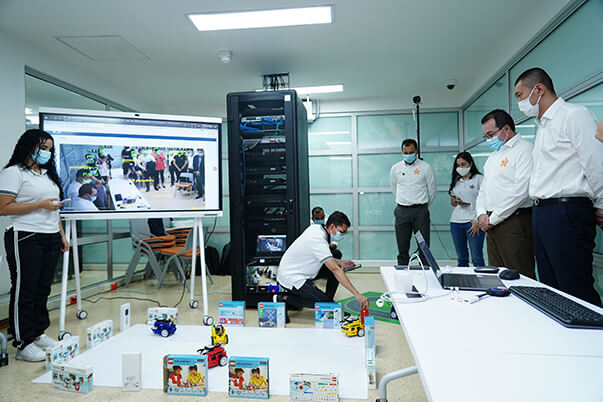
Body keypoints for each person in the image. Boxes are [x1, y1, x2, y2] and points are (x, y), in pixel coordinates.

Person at [514, 68, 603, 306]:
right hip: (543, 212)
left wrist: (602, 205)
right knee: (552, 289)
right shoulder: (543, 127)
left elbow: (595, 162)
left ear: (539, 89)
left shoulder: (574, 115)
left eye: (520, 95)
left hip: (566, 211)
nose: (520, 103)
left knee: (575, 288)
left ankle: (592, 329)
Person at [0, 129, 69, 362]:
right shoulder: (13, 172)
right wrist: (40, 204)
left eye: (50, 149)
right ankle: (23, 342)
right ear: (29, 146)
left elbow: (54, 209)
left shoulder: (47, 175)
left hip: (50, 236)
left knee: (42, 290)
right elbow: (3, 207)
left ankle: (38, 333)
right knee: (25, 290)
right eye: (43, 148)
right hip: (25, 236)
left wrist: (61, 235)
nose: (47, 152)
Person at [475, 109, 535, 278]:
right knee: (496, 276)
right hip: (491, 224)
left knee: (519, 275)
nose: (489, 139)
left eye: (490, 134)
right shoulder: (493, 157)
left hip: (514, 222)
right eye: (486, 136)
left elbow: (521, 191)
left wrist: (493, 219)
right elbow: (484, 190)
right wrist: (481, 214)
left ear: (506, 129)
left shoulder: (525, 150)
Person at [276, 211, 369, 319]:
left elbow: (322, 256)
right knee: (326, 298)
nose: (342, 235)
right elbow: (335, 270)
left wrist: (340, 262)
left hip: (302, 269)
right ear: (332, 226)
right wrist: (356, 294)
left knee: (337, 267)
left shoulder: (317, 228)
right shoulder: (317, 239)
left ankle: (328, 300)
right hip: (292, 277)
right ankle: (285, 299)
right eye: (341, 232)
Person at [389, 138, 436, 265]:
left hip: (420, 211)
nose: (408, 155)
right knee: (402, 245)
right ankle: (403, 269)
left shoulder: (425, 167)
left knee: (423, 245)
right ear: (402, 152)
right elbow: (394, 188)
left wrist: (422, 205)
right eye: (405, 152)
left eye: (411, 152)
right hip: (402, 211)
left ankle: (425, 268)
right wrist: (404, 201)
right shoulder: (396, 168)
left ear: (416, 151)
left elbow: (432, 190)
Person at [448, 151, 485, 267]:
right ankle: (462, 278)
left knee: (476, 257)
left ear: (471, 164)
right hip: (456, 222)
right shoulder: (456, 181)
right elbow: (452, 202)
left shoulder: (479, 179)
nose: (460, 168)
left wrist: (478, 221)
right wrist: (456, 201)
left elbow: (486, 200)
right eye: (458, 165)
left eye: (463, 164)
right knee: (461, 258)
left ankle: (481, 278)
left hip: (473, 222)